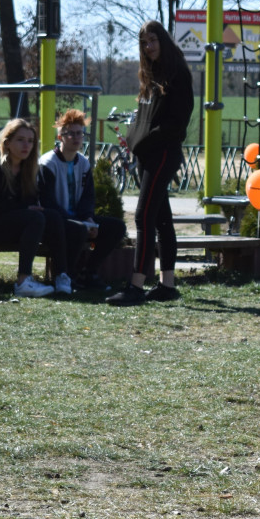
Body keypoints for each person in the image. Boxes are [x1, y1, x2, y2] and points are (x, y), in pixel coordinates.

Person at [107, 20, 194, 306]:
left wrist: (144, 142)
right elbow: (145, 119)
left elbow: (175, 125)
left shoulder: (178, 75)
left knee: (143, 216)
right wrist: (135, 140)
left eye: (153, 40)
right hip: (148, 154)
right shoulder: (151, 75)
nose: (149, 47)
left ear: (164, 41)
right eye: (144, 42)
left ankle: (135, 285)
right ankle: (167, 285)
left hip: (163, 154)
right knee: (160, 218)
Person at [0, 118, 71, 298]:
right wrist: (25, 211)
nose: (26, 145)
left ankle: (61, 275)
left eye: (30, 141)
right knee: (35, 218)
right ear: (7, 142)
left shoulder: (27, 167)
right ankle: (23, 281)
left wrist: (28, 210)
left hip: (11, 220)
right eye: (20, 140)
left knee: (51, 216)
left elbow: (29, 201)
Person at [38, 109, 127, 289]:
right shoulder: (47, 163)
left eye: (80, 133)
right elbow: (47, 202)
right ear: (60, 136)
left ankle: (89, 272)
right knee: (78, 230)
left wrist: (88, 219)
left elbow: (88, 197)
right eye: (70, 133)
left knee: (117, 227)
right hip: (55, 221)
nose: (76, 137)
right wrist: (80, 223)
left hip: (78, 219)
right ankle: (68, 276)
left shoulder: (84, 163)